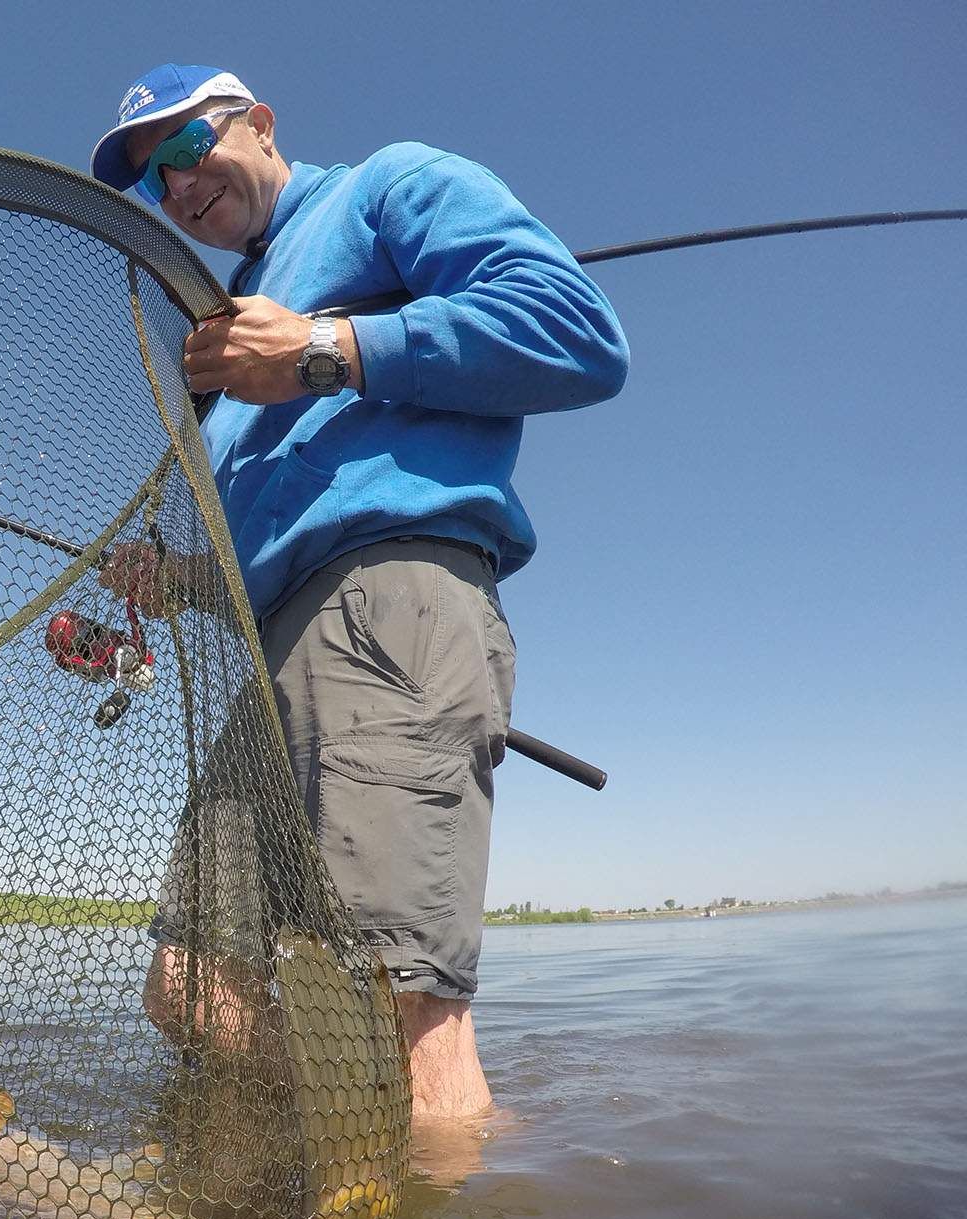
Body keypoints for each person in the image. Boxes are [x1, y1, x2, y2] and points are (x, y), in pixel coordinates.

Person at [89, 65, 628, 1118]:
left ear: (260, 124)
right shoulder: (227, 333)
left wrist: (327, 349)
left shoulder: (387, 185)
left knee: (398, 1008)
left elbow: (578, 332)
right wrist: (181, 582)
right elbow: (269, 532)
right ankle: (311, 1183)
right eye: (157, 183)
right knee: (192, 991)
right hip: (268, 649)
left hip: (389, 604)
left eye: (189, 149)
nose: (180, 189)